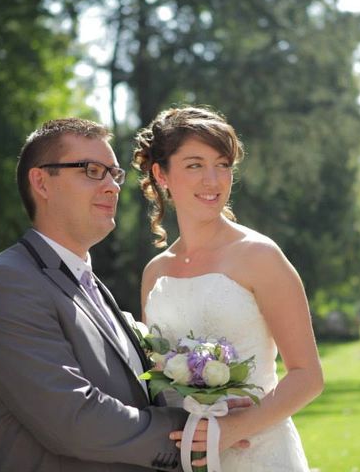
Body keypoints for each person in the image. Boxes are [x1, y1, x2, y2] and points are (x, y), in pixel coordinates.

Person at [0, 117, 210, 472]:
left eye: (114, 173)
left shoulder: (88, 282)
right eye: (93, 170)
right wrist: (193, 432)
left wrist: (212, 404)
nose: (112, 186)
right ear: (41, 182)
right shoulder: (6, 285)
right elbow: (73, 420)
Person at [132, 106, 324, 471]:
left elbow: (307, 376)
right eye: (194, 165)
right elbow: (156, 379)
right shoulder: (155, 274)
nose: (213, 180)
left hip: (259, 453)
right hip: (182, 455)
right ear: (161, 174)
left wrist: (236, 428)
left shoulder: (260, 256)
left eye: (222, 165)